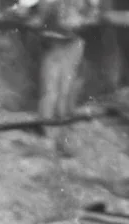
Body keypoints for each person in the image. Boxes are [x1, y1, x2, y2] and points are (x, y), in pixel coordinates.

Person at [19, 0, 95, 155]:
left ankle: (62, 140)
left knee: (62, 93)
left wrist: (82, 19)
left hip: (69, 42)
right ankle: (49, 137)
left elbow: (91, 13)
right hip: (54, 43)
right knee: (51, 92)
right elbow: (28, 13)